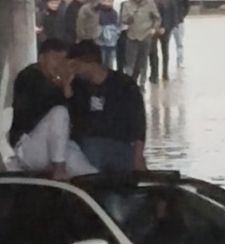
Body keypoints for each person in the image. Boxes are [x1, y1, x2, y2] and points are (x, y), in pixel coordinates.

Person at [7, 39, 97, 179]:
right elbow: (48, 107)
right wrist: (62, 87)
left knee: (88, 174)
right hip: (29, 147)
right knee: (59, 112)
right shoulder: (29, 76)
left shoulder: (64, 82)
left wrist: (67, 87)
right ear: (41, 58)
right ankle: (59, 170)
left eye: (63, 60)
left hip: (57, 147)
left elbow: (77, 118)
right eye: (55, 58)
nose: (59, 65)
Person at [67, 40, 147, 173]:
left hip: (118, 145)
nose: (73, 71)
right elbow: (70, 118)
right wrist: (66, 88)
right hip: (85, 146)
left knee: (93, 148)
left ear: (87, 63)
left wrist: (138, 157)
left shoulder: (124, 85)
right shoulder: (77, 86)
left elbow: (138, 123)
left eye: (74, 66)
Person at [121, 0, 161, 89]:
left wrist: (154, 29)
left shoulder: (150, 3)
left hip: (146, 35)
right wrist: (129, 19)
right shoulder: (127, 4)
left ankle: (142, 84)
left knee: (143, 62)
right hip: (132, 36)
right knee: (130, 62)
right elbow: (123, 20)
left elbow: (157, 18)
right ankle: (129, 83)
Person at [149, 0, 179, 82]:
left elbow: (173, 15)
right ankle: (154, 74)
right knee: (153, 52)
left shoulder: (170, 2)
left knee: (165, 51)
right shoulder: (150, 1)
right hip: (153, 30)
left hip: (166, 29)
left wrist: (165, 27)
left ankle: (165, 73)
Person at [97, 0, 120, 69]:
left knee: (109, 65)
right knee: (101, 64)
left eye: (110, 1)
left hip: (111, 44)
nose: (108, 3)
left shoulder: (114, 13)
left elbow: (117, 27)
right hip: (101, 43)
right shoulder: (98, 12)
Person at [172, 0, 189, 69]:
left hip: (179, 22)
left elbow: (187, 6)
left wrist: (182, 15)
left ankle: (180, 61)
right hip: (166, 22)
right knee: (164, 45)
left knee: (179, 43)